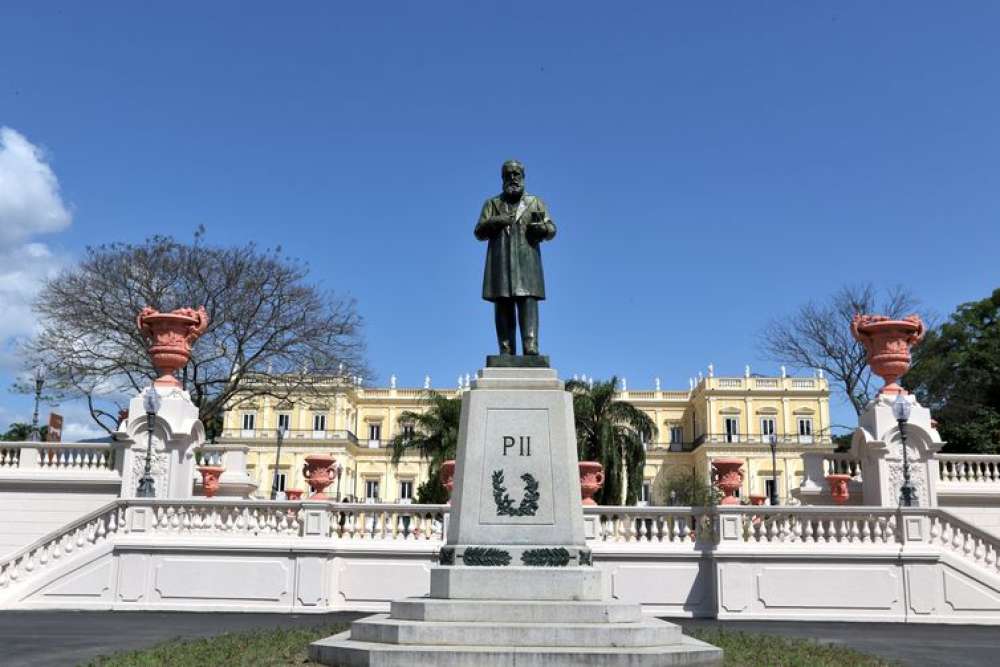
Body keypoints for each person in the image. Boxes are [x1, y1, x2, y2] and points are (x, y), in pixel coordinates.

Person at [474, 160, 556, 355]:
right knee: (503, 304)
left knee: (528, 302)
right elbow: (479, 231)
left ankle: (531, 346)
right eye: (508, 174)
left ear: (523, 177)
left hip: (527, 264)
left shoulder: (535, 203)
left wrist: (541, 229)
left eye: (516, 174)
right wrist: (496, 221)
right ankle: (506, 349)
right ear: (502, 179)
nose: (513, 178)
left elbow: (552, 229)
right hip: (500, 263)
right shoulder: (492, 204)